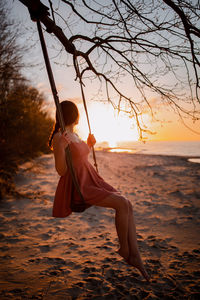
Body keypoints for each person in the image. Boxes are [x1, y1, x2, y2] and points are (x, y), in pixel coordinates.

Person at [49, 100, 149, 282]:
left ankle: (135, 256)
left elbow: (80, 156)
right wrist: (62, 148)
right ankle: (125, 250)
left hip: (92, 177)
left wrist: (89, 145)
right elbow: (61, 171)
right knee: (121, 204)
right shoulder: (59, 137)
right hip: (81, 185)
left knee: (127, 203)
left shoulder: (73, 134)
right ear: (74, 115)